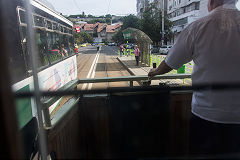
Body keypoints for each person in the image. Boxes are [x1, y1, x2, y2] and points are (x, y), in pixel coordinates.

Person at [148, 0, 240, 155]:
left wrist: (154, 72)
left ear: (213, 2)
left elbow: (170, 62)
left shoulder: (198, 27)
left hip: (206, 116)